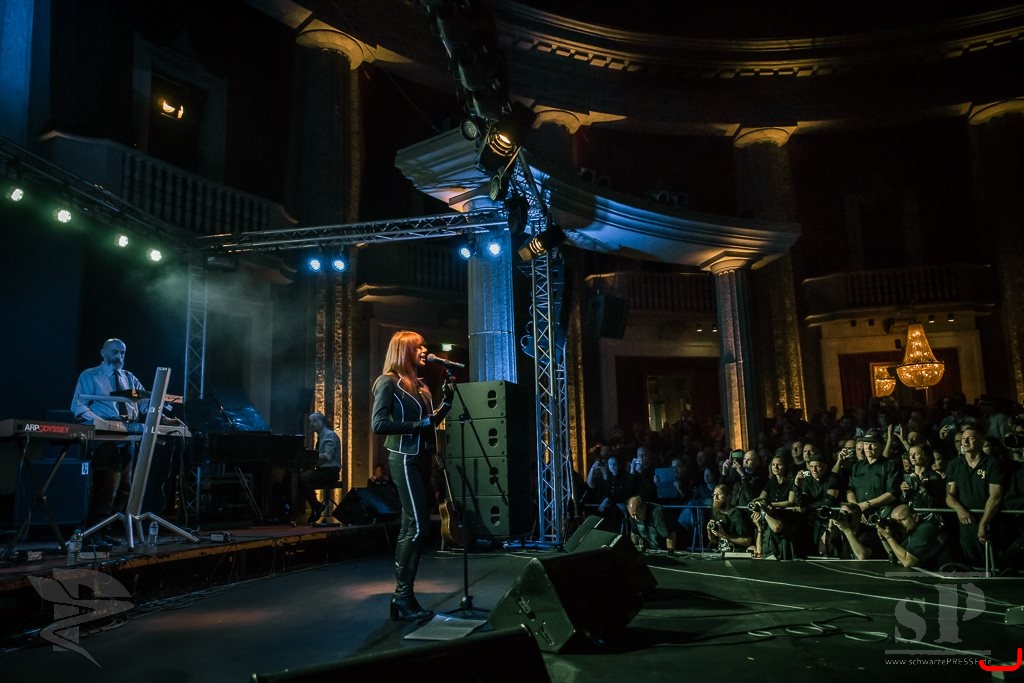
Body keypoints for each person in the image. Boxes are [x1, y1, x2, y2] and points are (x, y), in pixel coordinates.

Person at [371, 330, 452, 622]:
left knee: (411, 526)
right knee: (418, 527)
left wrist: (446, 404)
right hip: (403, 457)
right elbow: (379, 424)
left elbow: (430, 422)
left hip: (422, 458)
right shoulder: (387, 382)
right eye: (418, 347)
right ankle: (402, 596)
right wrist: (418, 425)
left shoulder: (420, 386)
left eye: (424, 346)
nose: (424, 350)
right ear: (403, 351)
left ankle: (402, 598)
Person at [70, 338, 149, 543]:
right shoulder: (90, 375)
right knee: (107, 484)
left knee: (125, 486)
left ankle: (105, 531)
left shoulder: (129, 377)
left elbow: (146, 403)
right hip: (105, 435)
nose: (119, 356)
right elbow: (78, 406)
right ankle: (93, 534)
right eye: (115, 352)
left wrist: (160, 413)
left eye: (122, 353)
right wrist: (102, 423)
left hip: (129, 434)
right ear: (103, 352)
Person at [945, 425, 1006, 567]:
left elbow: (995, 497)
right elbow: (950, 495)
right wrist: (960, 510)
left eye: (970, 438)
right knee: (970, 561)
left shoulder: (992, 464)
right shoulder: (955, 465)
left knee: (992, 561)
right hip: (966, 522)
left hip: (990, 520)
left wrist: (983, 523)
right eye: (963, 438)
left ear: (980, 442)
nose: (965, 442)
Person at [299, 412, 342, 525]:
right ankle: (315, 506)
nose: (311, 424)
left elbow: (328, 456)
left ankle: (316, 507)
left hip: (330, 471)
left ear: (322, 422)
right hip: (323, 470)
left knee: (303, 478)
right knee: (297, 478)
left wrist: (309, 457)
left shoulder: (329, 435)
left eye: (314, 421)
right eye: (310, 422)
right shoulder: (322, 436)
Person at [876, 504, 949, 569]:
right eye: (896, 522)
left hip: (947, 574)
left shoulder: (925, 529)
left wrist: (889, 537)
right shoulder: (912, 531)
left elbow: (908, 562)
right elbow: (894, 555)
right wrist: (883, 538)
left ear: (915, 517)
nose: (899, 524)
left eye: (902, 520)